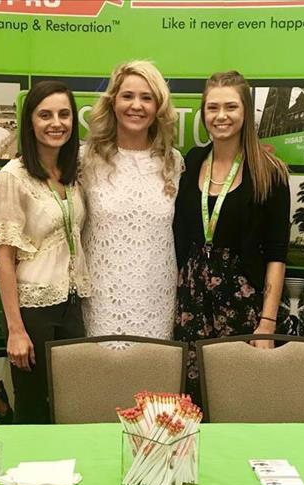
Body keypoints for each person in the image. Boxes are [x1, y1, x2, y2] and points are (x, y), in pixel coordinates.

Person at [173, 71, 290, 405]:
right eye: (212, 107)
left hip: (244, 304)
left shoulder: (270, 171)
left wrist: (266, 323)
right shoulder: (192, 161)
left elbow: (277, 254)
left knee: (240, 398)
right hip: (193, 302)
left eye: (230, 106)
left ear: (245, 111)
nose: (221, 116)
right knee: (193, 399)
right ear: (203, 113)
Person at [0, 81, 91, 424]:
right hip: (33, 309)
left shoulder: (72, 174)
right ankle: (27, 477)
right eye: (45, 115)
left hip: (72, 303)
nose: (56, 123)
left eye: (64, 114)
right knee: (33, 408)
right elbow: (4, 258)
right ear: (30, 122)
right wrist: (15, 330)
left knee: (74, 404)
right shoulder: (12, 178)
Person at [80, 60, 183, 339]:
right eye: (127, 96)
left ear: (158, 107)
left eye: (146, 98)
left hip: (158, 301)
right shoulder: (86, 160)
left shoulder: (173, 162)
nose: (136, 105)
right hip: (102, 302)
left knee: (155, 379)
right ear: (113, 102)